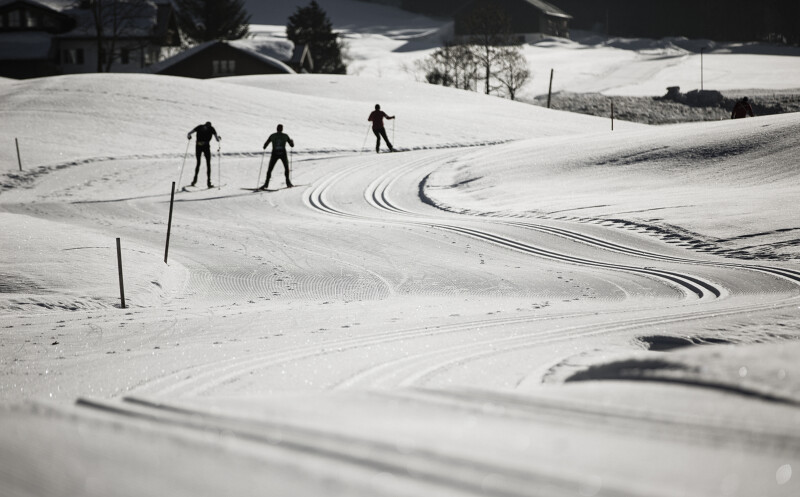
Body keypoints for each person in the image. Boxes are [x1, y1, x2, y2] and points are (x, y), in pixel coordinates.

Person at [187, 121, 220, 187]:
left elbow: (189, 133)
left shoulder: (200, 127)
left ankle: (194, 181)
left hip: (198, 146)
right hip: (206, 147)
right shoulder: (212, 128)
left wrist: (189, 137)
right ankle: (208, 182)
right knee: (208, 164)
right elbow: (217, 139)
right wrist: (219, 138)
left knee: (198, 163)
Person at [262, 124, 294, 189]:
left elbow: (266, 144)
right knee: (286, 168)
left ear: (276, 129)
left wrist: (265, 146)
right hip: (283, 154)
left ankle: (266, 184)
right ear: (282, 129)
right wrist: (292, 142)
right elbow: (291, 145)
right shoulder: (285, 136)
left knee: (270, 169)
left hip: (274, 154)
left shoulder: (272, 135)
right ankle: (288, 183)